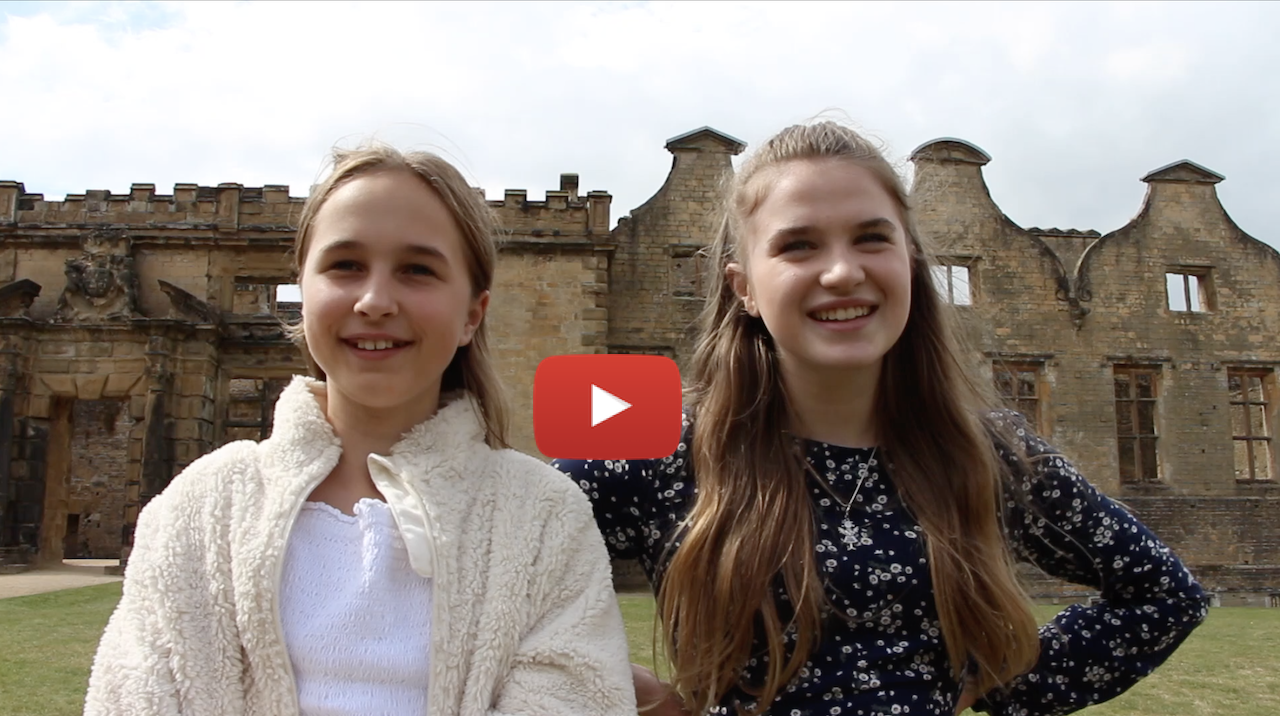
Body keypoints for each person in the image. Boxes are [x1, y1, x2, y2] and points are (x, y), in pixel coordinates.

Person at [552, 121, 1209, 716]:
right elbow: (490, 580)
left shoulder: (983, 448)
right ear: (742, 287)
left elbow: (1163, 595)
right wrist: (651, 701)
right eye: (799, 246)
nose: (842, 271)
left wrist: (1004, 680)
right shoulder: (659, 440)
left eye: (871, 239)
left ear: (911, 266)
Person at [86, 143, 637, 715]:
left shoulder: (544, 517)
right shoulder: (199, 509)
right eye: (345, 265)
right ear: (302, 293)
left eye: (417, 270)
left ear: (473, 313)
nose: (375, 301)